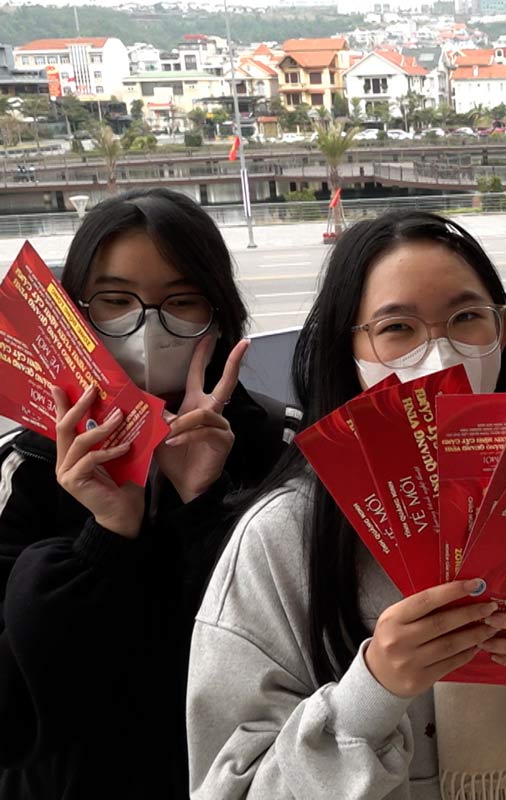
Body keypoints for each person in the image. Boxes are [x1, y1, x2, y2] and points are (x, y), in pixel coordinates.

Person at [186, 210, 506, 800]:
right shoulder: (280, 539)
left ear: (503, 330)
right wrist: (372, 691)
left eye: (466, 319)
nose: (441, 360)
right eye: (397, 329)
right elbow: (224, 784)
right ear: (348, 348)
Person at [0, 188, 297, 799]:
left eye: (181, 302)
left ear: (220, 314)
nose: (147, 326)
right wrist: (104, 536)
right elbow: (11, 714)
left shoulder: (282, 450)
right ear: (74, 313)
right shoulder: (25, 469)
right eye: (115, 301)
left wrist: (201, 508)